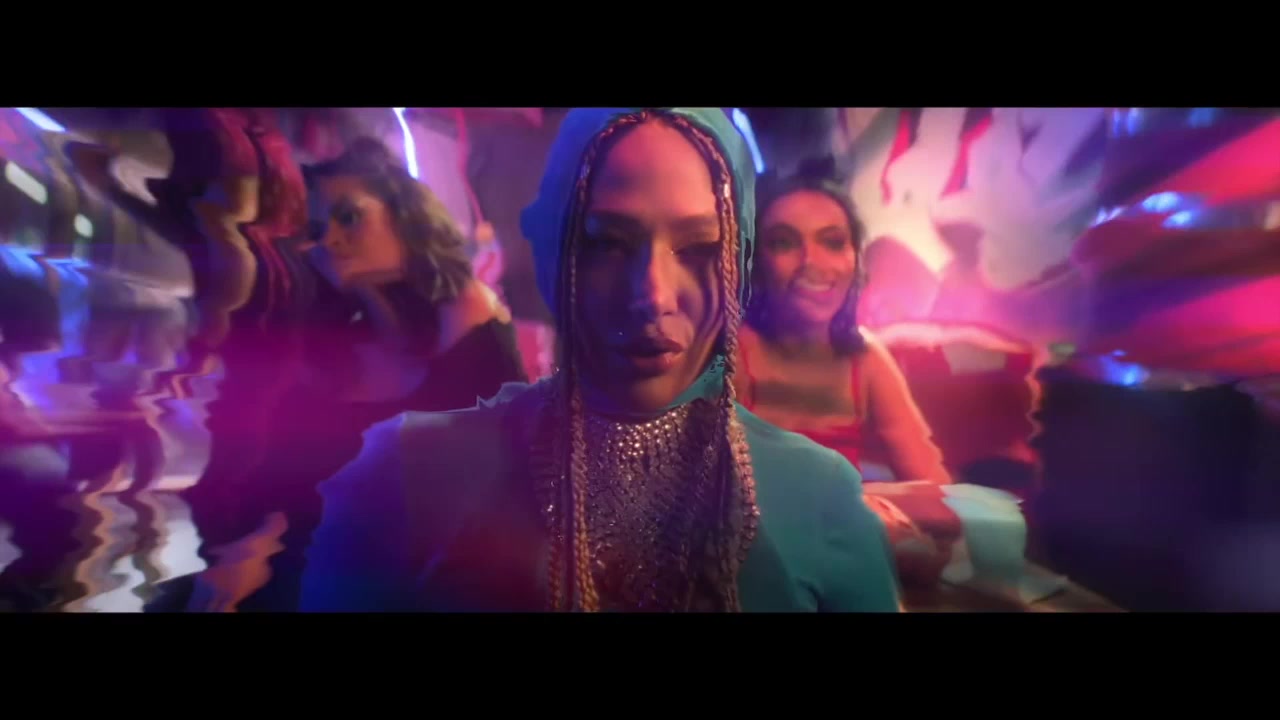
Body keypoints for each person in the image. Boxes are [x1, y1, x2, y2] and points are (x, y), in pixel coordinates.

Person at [300, 108, 900, 612]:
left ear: (737, 262)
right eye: (607, 243)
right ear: (555, 251)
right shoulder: (399, 478)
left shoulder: (821, 498)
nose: (653, 295)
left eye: (700, 247)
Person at [178, 137, 528, 612]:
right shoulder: (336, 344)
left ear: (406, 217)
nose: (329, 239)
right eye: (317, 227)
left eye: (349, 216)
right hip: (329, 565)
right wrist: (250, 548)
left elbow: (499, 483)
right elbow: (291, 480)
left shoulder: (467, 314)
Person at [735, 156, 951, 483]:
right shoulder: (731, 353)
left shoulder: (866, 358)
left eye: (833, 242)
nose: (811, 261)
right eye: (784, 243)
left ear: (855, 259)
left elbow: (929, 479)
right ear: (757, 262)